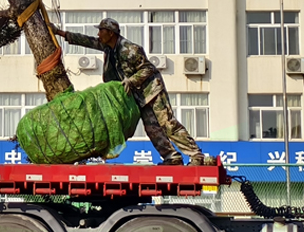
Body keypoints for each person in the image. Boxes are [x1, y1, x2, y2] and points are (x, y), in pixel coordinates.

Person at [53, 18, 205, 166]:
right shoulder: (107, 46)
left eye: (101, 31)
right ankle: (172, 157)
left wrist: (131, 80)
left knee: (167, 123)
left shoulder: (129, 49)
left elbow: (148, 68)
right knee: (151, 128)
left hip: (151, 90)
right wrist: (59, 32)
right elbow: (86, 40)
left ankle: (196, 155)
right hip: (138, 95)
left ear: (111, 33)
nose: (98, 34)